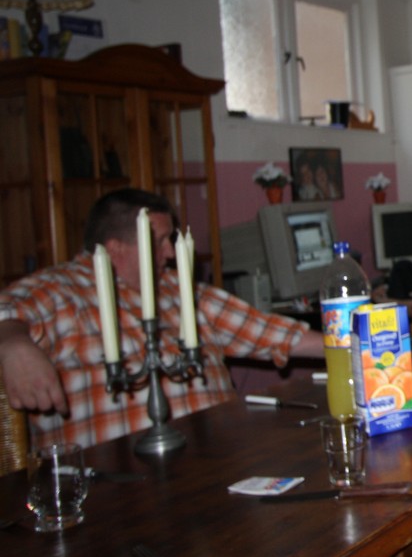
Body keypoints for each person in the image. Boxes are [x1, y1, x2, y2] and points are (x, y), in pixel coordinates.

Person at [0, 188, 324, 449]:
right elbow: (9, 308)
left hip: (220, 456)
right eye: (160, 242)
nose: (170, 253)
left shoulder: (177, 288)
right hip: (115, 480)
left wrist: (349, 344)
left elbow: (277, 334)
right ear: (115, 249)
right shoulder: (64, 291)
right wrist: (13, 344)